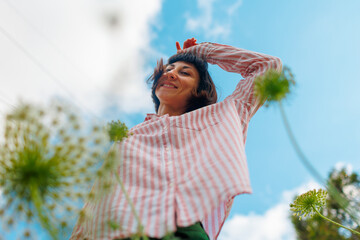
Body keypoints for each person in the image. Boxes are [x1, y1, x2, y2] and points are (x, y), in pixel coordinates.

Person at [70, 38, 282, 240]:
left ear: (199, 89)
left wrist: (201, 52)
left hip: (181, 228)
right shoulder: (128, 137)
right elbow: (99, 195)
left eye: (185, 73)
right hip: (118, 228)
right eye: (168, 69)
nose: (170, 74)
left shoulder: (222, 116)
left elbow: (268, 66)